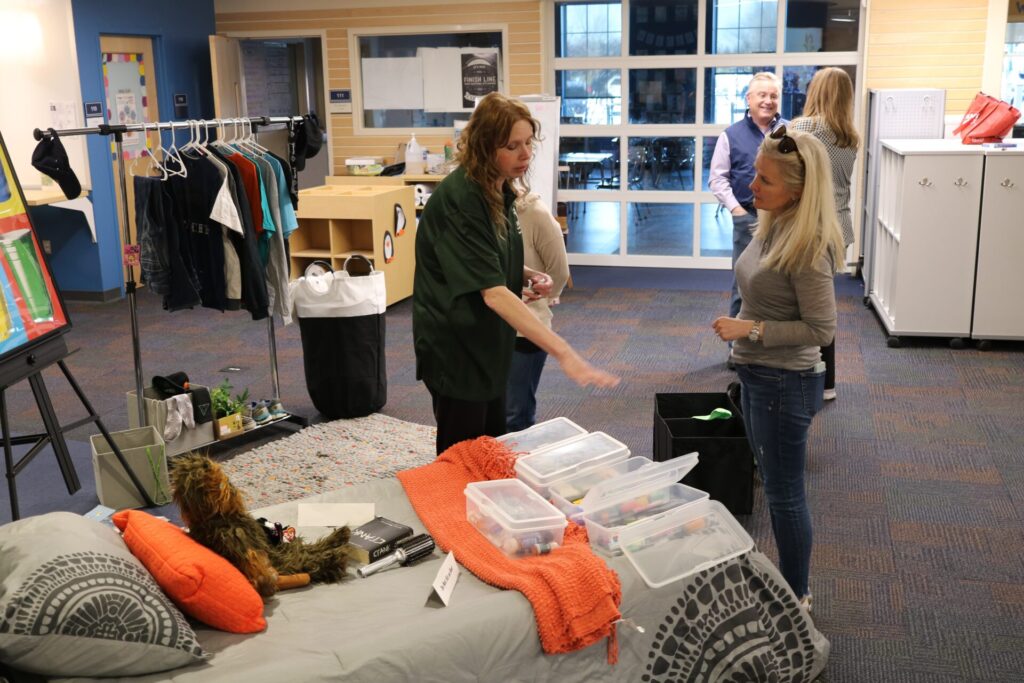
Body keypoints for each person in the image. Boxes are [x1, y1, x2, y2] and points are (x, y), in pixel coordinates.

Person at [413, 92, 619, 455]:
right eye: (512, 146)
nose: (525, 154)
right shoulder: (463, 198)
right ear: (484, 146)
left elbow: (486, 256)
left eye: (527, 143)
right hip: (456, 347)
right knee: (461, 457)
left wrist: (524, 273)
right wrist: (563, 351)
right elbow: (491, 291)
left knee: (494, 445)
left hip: (489, 341)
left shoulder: (498, 188)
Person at [711, 126, 844, 612]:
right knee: (775, 482)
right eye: (755, 176)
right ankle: (792, 585)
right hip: (759, 376)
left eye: (764, 180)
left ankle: (797, 597)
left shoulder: (808, 248)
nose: (752, 186)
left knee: (785, 496)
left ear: (797, 191)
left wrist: (751, 330)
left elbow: (821, 329)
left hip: (783, 384)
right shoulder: (774, 223)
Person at [791, 67, 860, 401]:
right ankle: (827, 382)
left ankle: (804, 377)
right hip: (840, 228)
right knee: (823, 303)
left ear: (814, 91)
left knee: (802, 306)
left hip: (812, 226)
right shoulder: (851, 136)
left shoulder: (803, 127)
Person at [709, 72, 784, 369]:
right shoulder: (731, 135)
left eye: (773, 95)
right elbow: (717, 179)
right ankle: (736, 349)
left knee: (780, 284)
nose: (768, 100)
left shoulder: (790, 133)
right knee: (744, 283)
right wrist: (736, 211)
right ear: (748, 99)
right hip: (747, 219)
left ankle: (771, 346)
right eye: (761, 95)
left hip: (782, 222)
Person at [505, 193, 570, 432]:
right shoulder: (482, 210)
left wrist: (547, 294)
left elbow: (560, 271)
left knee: (515, 414)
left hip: (526, 329)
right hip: (491, 325)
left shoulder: (534, 212)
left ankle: (517, 467)